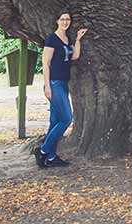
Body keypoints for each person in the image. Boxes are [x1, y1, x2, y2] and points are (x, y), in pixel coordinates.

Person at [32, 12, 87, 168]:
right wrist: (47, 86)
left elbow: (75, 56)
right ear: (57, 21)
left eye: (68, 19)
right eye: (62, 19)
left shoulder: (67, 39)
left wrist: (77, 39)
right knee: (66, 119)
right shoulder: (52, 39)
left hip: (63, 83)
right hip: (54, 84)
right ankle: (42, 151)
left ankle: (50, 158)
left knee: (54, 122)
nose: (65, 22)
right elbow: (46, 63)